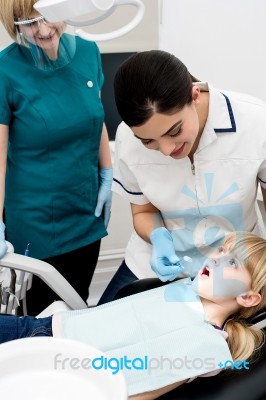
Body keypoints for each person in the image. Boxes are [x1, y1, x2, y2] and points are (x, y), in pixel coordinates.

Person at [0, 231, 266, 400]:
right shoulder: (183, 289)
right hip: (40, 330)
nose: (215, 259)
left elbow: (143, 391)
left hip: (61, 374)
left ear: (247, 297)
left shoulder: (206, 345)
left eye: (232, 262)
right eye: (221, 250)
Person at [98, 49, 266, 304]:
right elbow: (143, 212)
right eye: (149, 142)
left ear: (194, 95)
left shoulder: (254, 123)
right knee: (95, 331)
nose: (167, 150)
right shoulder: (127, 137)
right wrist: (158, 237)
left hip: (232, 268)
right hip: (155, 265)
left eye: (174, 131)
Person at [0, 0, 112, 314]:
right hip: (34, 224)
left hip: (85, 210)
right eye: (31, 24)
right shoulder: (5, 71)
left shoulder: (88, 53)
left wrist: (107, 173)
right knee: (40, 316)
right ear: (15, 24)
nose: (45, 31)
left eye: (50, 19)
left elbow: (96, 116)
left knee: (77, 304)